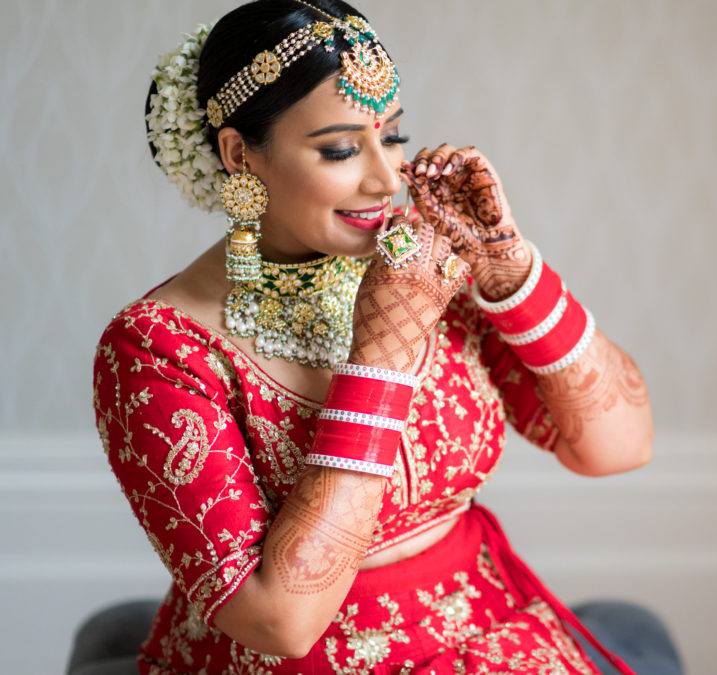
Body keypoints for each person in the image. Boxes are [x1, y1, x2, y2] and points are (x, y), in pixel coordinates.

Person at [91, 1, 680, 673]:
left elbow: (621, 446)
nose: (387, 175)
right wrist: (382, 354)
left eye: (392, 135)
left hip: (487, 631)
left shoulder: (424, 265)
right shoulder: (159, 349)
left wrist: (512, 275)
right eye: (340, 148)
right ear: (238, 154)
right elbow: (278, 619)